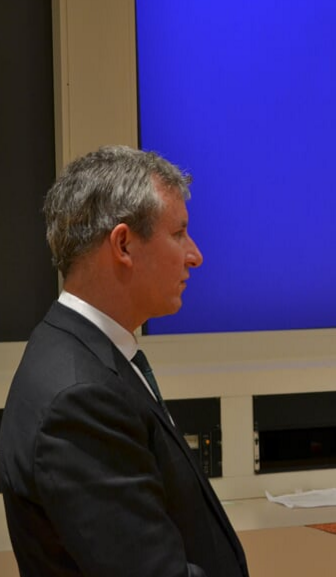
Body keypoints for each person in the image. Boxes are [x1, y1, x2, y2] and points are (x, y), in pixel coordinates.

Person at [0, 145, 250, 577]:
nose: (195, 255)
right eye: (179, 234)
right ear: (123, 244)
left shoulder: (80, 352)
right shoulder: (79, 397)